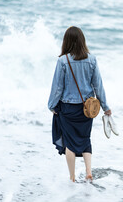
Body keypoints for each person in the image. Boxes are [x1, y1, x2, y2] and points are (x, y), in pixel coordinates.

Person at [48, 26, 111, 182]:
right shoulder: (92, 59)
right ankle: (89, 172)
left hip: (68, 108)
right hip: (87, 109)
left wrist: (51, 105)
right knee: (85, 139)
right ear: (82, 41)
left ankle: (72, 177)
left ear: (66, 42)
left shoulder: (63, 61)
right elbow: (98, 86)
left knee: (69, 143)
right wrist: (105, 107)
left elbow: (58, 88)